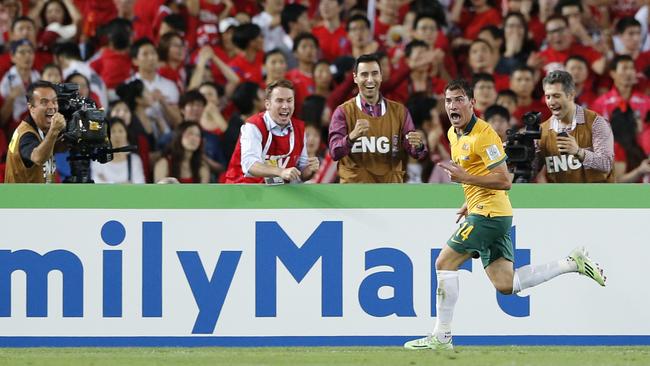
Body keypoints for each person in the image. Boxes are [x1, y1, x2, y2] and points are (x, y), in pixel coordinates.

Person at [403, 79, 606, 351]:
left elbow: (504, 180)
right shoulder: (454, 134)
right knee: (506, 284)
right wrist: (469, 199)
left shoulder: (484, 135)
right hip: (485, 211)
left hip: (489, 216)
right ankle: (572, 263)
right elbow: (478, 177)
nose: (453, 105)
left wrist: (466, 178)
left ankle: (442, 337)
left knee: (444, 262)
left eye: (459, 99)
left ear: (472, 103)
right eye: (449, 100)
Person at [328, 53, 427, 183]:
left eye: (374, 73)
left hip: (390, 194)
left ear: (381, 76)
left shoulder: (400, 112)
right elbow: (334, 152)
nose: (370, 79)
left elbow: (416, 152)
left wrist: (418, 146)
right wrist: (351, 137)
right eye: (364, 74)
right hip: (354, 194)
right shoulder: (343, 112)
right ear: (355, 78)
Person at [224, 79, 320, 184]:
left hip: (275, 191)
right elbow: (249, 165)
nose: (285, 106)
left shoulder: (299, 129)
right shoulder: (253, 126)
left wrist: (309, 170)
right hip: (243, 189)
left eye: (289, 100)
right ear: (267, 104)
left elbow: (301, 173)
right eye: (279, 100)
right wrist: (280, 171)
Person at [538, 70, 615, 183]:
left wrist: (579, 152)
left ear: (571, 95)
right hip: (561, 198)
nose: (551, 102)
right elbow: (532, 170)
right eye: (548, 97)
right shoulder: (542, 131)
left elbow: (606, 164)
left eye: (556, 96)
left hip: (598, 197)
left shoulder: (596, 122)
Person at [4, 80, 66, 183]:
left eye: (54, 101)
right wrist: (54, 131)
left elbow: (46, 148)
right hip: (23, 198)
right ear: (31, 107)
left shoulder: (41, 128)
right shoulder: (26, 134)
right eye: (44, 102)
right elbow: (38, 157)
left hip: (38, 197)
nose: (52, 107)